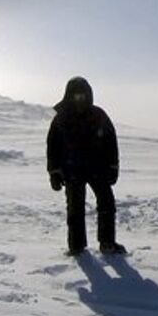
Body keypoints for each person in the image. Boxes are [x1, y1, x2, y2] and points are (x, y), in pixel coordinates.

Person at [46, 76, 126, 256]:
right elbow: (53, 147)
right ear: (69, 95)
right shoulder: (61, 118)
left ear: (89, 95)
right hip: (72, 169)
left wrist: (113, 167)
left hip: (98, 168)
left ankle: (107, 242)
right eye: (76, 95)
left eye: (83, 95)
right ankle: (76, 246)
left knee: (107, 204)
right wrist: (54, 172)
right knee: (75, 208)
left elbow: (110, 142)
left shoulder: (99, 115)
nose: (80, 99)